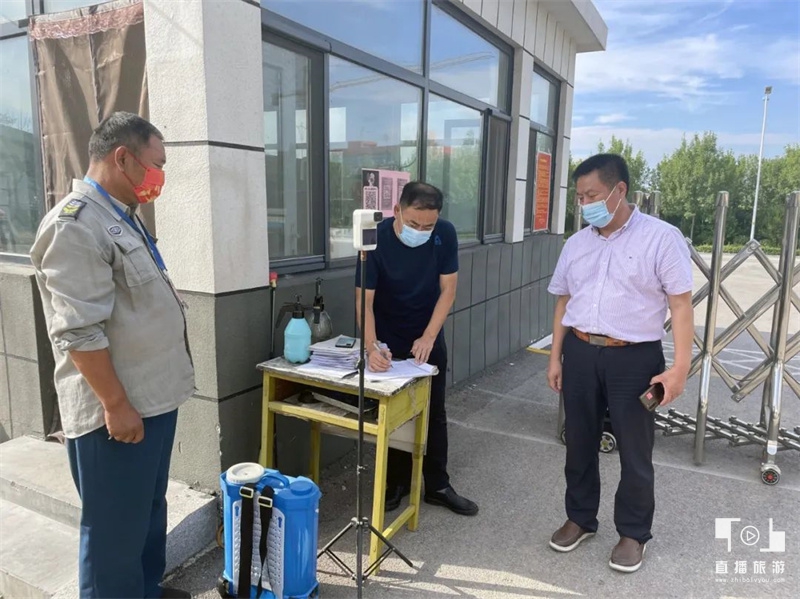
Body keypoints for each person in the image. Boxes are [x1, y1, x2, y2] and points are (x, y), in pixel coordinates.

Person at [30, 112, 195, 599]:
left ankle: (146, 590)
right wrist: (116, 405)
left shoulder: (120, 216)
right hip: (116, 412)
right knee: (114, 532)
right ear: (123, 158)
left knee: (147, 512)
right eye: (156, 164)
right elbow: (79, 331)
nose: (160, 176)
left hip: (152, 399)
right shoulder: (76, 226)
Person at [546, 154, 694, 573]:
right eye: (579, 197)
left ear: (619, 190)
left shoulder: (661, 238)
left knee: (634, 448)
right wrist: (556, 357)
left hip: (635, 357)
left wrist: (679, 369)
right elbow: (564, 302)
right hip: (579, 351)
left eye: (592, 195)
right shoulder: (576, 244)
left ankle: (633, 532)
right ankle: (580, 518)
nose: (584, 204)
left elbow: (681, 306)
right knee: (578, 440)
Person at [355, 181, 478, 516]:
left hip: (427, 334)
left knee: (434, 411)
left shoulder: (445, 234)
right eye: (413, 224)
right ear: (397, 210)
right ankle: (396, 483)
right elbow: (364, 301)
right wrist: (372, 347)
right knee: (395, 413)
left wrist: (428, 336)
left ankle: (437, 485)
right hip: (387, 337)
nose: (420, 231)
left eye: (428, 226)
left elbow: (448, 290)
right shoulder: (374, 238)